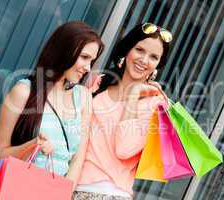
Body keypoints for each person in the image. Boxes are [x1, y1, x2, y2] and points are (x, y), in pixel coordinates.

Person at [0, 21, 104, 189]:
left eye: (92, 60)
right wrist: (32, 145)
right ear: (64, 50)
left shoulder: (83, 97)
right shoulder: (24, 92)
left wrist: (64, 193)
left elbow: (77, 160)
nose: (88, 67)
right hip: (18, 188)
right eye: (84, 57)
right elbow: (0, 153)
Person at [74, 23, 173, 200]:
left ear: (158, 64)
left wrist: (134, 95)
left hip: (111, 193)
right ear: (128, 50)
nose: (144, 60)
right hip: (72, 184)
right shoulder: (99, 82)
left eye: (153, 57)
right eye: (140, 50)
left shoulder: (155, 104)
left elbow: (124, 148)